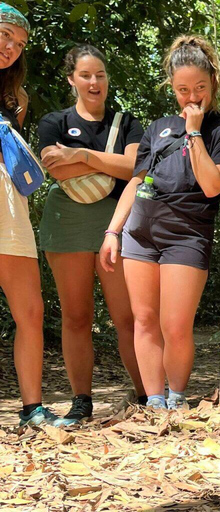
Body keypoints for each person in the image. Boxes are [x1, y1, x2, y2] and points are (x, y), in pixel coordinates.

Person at [99, 35, 220, 410]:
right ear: (172, 87)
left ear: (213, 83)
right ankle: (154, 401)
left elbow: (212, 184)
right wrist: (113, 231)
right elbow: (136, 181)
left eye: (200, 88)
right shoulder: (157, 127)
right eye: (183, 89)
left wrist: (194, 131)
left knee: (175, 326)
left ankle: (176, 398)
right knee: (144, 320)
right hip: (141, 232)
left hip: (187, 235)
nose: (192, 97)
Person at [37, 45, 146, 424]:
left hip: (116, 223)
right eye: (85, 75)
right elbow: (56, 170)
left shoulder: (127, 122)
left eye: (100, 74)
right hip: (66, 222)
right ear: (72, 79)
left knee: (127, 317)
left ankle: (146, 395)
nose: (94, 82)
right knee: (76, 317)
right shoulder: (54, 121)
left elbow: (135, 166)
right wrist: (105, 164)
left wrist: (81, 156)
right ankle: (81, 400)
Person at [0, 4, 63, 426]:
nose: (11, 49)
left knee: (31, 309)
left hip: (9, 201)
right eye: (5, 35)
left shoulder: (13, 97)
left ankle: (33, 410)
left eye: (19, 44)